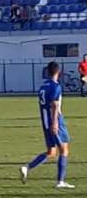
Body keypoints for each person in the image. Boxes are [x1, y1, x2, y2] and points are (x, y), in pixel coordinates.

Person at [20, 61, 75, 189]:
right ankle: (60, 181)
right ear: (59, 71)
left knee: (51, 151)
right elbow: (54, 105)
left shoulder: (43, 87)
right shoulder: (56, 86)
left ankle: (27, 168)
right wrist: (55, 123)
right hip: (55, 121)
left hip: (45, 122)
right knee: (64, 149)